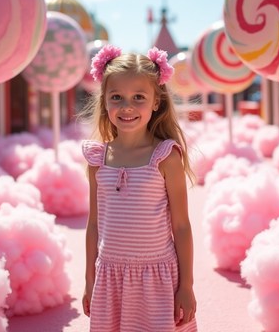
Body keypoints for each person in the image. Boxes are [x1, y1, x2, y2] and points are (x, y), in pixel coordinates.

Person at [81, 44, 197, 331]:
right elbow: (94, 224)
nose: (127, 106)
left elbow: (181, 226)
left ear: (156, 102)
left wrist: (187, 285)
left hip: (156, 279)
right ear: (105, 100)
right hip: (111, 279)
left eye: (138, 97)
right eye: (116, 97)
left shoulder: (165, 156)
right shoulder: (98, 160)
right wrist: (89, 280)